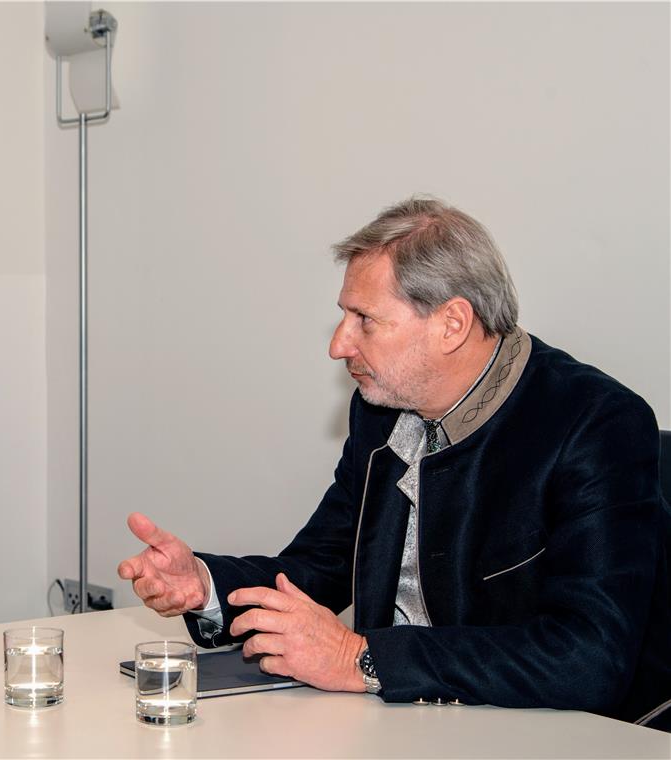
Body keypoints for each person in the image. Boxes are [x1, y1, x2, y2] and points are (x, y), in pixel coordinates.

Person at [117, 197, 670, 725]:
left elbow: (587, 656)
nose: (338, 345)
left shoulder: (595, 425)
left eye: (365, 319)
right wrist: (205, 585)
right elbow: (324, 564)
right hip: (397, 721)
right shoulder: (382, 409)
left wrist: (361, 659)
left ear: (452, 324)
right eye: (343, 316)